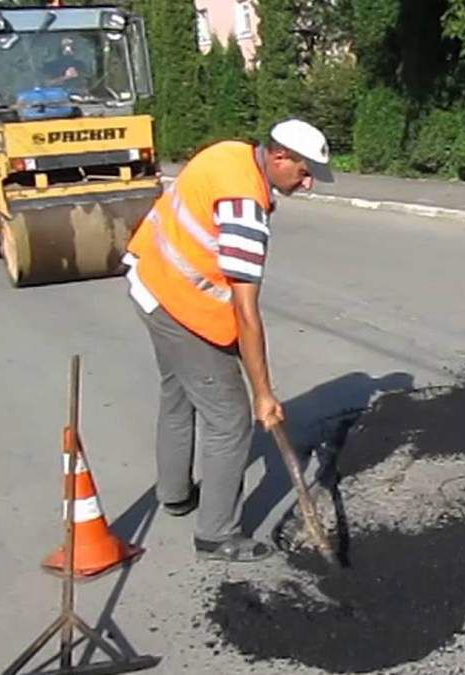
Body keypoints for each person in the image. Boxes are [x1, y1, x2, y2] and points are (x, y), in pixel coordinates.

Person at [124, 119, 335, 562]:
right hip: (181, 305)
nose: (308, 183)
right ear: (279, 157)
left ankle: (176, 494)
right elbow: (245, 312)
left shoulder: (230, 152)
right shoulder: (244, 209)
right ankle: (216, 534)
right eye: (303, 172)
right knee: (230, 419)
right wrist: (263, 393)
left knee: (178, 392)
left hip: (150, 280)